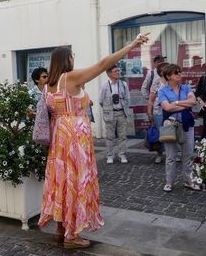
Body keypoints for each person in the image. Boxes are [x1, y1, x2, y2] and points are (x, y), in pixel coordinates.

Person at [38, 33, 150, 249]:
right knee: (77, 181)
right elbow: (102, 64)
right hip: (74, 138)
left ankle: (61, 229)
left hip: (59, 138)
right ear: (67, 60)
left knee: (62, 181)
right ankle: (72, 236)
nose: (74, 59)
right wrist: (131, 46)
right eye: (72, 56)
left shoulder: (48, 85)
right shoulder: (69, 78)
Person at [158, 64, 200, 192]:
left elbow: (193, 102)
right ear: (168, 76)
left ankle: (189, 181)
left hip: (187, 125)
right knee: (171, 156)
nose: (179, 75)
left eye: (180, 72)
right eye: (176, 73)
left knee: (188, 155)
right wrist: (185, 105)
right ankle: (169, 182)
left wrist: (176, 103)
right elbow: (167, 108)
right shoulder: (162, 91)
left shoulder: (186, 88)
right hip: (171, 126)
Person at [98, 64, 130, 164]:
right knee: (110, 136)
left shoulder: (124, 84)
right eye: (115, 71)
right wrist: (108, 107)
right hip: (110, 113)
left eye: (118, 71)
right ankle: (110, 156)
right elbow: (100, 101)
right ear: (109, 73)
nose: (117, 73)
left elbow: (128, 98)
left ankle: (122, 155)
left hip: (121, 112)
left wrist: (122, 102)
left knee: (122, 136)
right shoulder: (104, 86)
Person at [147, 62, 169, 164]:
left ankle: (171, 154)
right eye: (165, 69)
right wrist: (149, 113)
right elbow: (151, 100)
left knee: (171, 133)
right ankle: (159, 154)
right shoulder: (156, 82)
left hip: (171, 111)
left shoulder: (173, 81)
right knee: (159, 135)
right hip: (158, 112)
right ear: (160, 71)